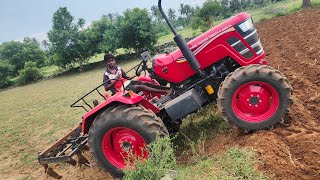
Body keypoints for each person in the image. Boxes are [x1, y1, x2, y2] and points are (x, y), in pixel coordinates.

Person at [103, 53, 171, 95]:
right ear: (106, 63)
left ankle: (168, 88)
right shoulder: (106, 75)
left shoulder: (118, 68)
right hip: (122, 89)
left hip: (128, 83)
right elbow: (106, 88)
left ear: (114, 60)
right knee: (141, 87)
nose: (111, 62)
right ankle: (164, 92)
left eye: (112, 60)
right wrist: (115, 80)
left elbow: (126, 77)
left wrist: (135, 75)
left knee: (145, 82)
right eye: (109, 61)